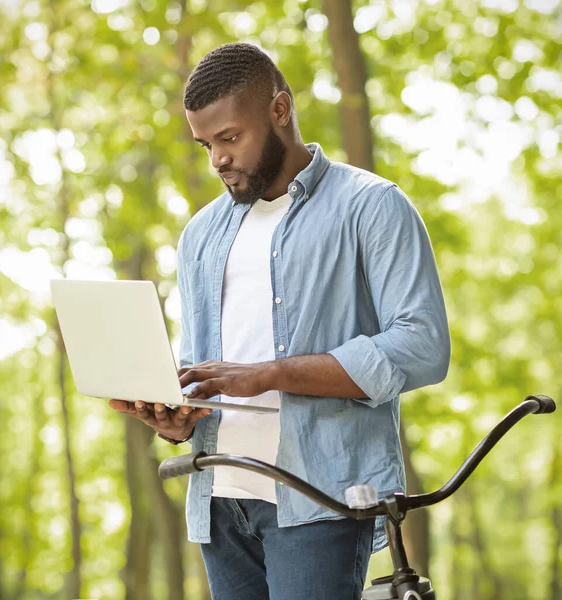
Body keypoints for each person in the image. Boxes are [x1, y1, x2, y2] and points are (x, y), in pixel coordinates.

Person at [109, 42, 450, 600]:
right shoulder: (201, 234)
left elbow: (422, 346)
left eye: (230, 138)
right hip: (219, 497)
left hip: (318, 498)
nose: (217, 158)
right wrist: (178, 417)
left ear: (280, 110)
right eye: (205, 144)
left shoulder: (371, 206)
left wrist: (269, 374)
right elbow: (206, 368)